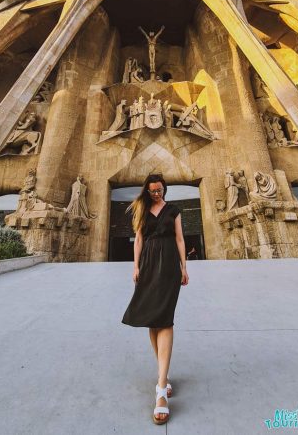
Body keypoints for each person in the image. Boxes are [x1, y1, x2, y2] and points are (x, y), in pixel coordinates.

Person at [121, 174, 189, 425]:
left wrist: (184, 267)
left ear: (164, 189)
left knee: (165, 320)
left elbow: (180, 238)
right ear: (147, 192)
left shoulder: (174, 210)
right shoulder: (143, 209)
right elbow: (138, 239)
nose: (156, 193)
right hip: (149, 264)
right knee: (152, 320)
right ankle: (164, 374)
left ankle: (161, 388)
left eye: (159, 189)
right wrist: (135, 266)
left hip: (170, 263)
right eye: (152, 191)